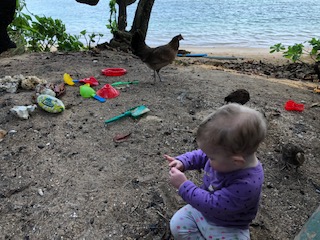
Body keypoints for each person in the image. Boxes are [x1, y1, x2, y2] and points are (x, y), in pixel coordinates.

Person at [165, 103, 267, 240]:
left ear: (236, 161)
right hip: (203, 211)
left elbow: (213, 205)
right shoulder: (226, 159)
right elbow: (202, 155)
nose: (208, 159)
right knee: (177, 224)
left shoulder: (247, 184)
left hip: (229, 225)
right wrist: (183, 161)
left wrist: (184, 186)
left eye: (212, 157)